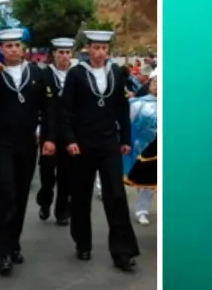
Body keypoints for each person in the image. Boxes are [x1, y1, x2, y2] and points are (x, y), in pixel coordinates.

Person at [0, 28, 56, 276]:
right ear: (0, 49)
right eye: (8, 46)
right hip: (0, 143)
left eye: (17, 45)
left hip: (27, 143)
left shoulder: (37, 73)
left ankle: (14, 243)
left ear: (23, 48)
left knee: (19, 196)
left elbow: (49, 109)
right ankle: (2, 252)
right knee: (5, 193)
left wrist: (49, 138)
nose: (14, 50)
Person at [61, 30, 140, 272]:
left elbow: (121, 107)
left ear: (108, 50)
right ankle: (82, 242)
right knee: (81, 195)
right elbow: (66, 111)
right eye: (95, 48)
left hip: (108, 143)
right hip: (83, 143)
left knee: (116, 194)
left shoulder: (115, 72)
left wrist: (125, 137)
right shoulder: (76, 74)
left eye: (104, 49)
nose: (100, 53)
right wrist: (70, 139)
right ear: (88, 49)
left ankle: (122, 251)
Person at [36, 37, 75, 226]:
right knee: (47, 172)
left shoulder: (76, 74)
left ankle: (62, 212)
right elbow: (37, 104)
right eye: (61, 52)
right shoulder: (44, 74)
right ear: (54, 54)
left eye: (67, 53)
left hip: (69, 132)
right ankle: (45, 201)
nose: (64, 56)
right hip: (48, 130)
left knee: (67, 174)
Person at [126, 71, 158, 226]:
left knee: (151, 184)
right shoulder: (138, 104)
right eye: (155, 82)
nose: (158, 86)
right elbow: (127, 125)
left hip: (158, 150)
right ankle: (141, 211)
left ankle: (143, 210)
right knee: (144, 182)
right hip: (141, 148)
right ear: (149, 84)